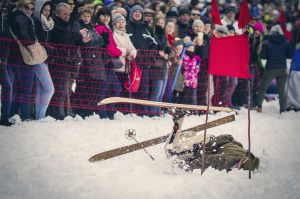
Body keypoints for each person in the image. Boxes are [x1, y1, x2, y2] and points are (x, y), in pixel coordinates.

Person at [165, 110, 260, 172]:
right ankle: (179, 120)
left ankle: (187, 136)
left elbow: (229, 137)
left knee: (182, 150)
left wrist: (216, 144)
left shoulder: (243, 152)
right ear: (241, 165)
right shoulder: (227, 161)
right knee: (172, 153)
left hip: (209, 139)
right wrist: (186, 166)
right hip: (203, 144)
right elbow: (205, 160)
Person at [9, 0, 54, 120]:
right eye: (27, 7)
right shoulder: (23, 18)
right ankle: (25, 116)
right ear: (20, 6)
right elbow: (26, 38)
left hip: (35, 56)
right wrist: (35, 43)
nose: (29, 10)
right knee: (27, 88)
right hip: (29, 56)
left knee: (26, 89)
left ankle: (22, 115)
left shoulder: (37, 20)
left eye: (32, 8)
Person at [47, 2, 90, 120]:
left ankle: (62, 112)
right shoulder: (55, 24)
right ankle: (57, 115)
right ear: (57, 14)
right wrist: (77, 34)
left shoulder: (68, 24)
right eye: (64, 14)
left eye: (68, 14)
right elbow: (64, 40)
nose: (67, 16)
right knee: (59, 89)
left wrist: (83, 41)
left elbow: (73, 42)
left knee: (64, 88)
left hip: (66, 60)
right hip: (57, 61)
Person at [71, 6, 105, 118]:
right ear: (80, 16)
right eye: (84, 16)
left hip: (94, 62)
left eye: (88, 16)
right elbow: (88, 42)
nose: (86, 18)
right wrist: (95, 41)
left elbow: (100, 40)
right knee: (82, 86)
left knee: (94, 86)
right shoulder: (78, 26)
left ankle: (89, 109)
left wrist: (95, 41)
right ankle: (81, 110)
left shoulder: (92, 27)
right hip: (84, 61)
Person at [94, 7, 123, 119]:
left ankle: (109, 112)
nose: (106, 18)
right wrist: (120, 52)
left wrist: (117, 51)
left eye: (108, 16)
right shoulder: (100, 28)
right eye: (103, 15)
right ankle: (103, 114)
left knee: (116, 88)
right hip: (105, 62)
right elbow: (109, 47)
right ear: (99, 16)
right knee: (104, 89)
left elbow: (112, 45)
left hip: (109, 62)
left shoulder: (107, 28)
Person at [257, 25, 293, 113]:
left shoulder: (266, 42)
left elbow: (263, 56)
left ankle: (259, 107)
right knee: (282, 91)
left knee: (263, 88)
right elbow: (289, 55)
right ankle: (282, 110)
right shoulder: (286, 42)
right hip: (282, 68)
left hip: (270, 68)